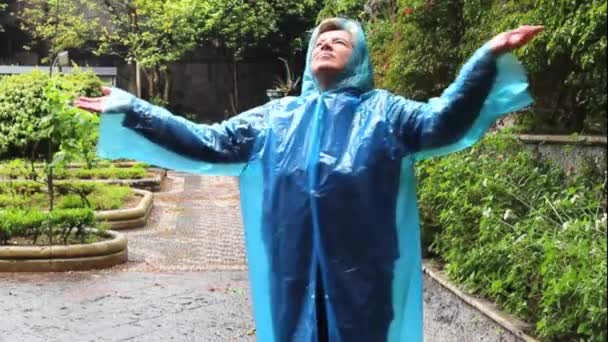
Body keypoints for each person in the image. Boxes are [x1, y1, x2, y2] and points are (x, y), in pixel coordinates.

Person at [76, 18, 542, 342]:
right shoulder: (275, 118)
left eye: (340, 40)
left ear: (359, 56)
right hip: (291, 275)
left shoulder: (386, 113)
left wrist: (486, 58)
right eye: (320, 41)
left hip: (364, 284)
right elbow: (205, 142)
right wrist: (132, 109)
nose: (326, 44)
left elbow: (445, 119)